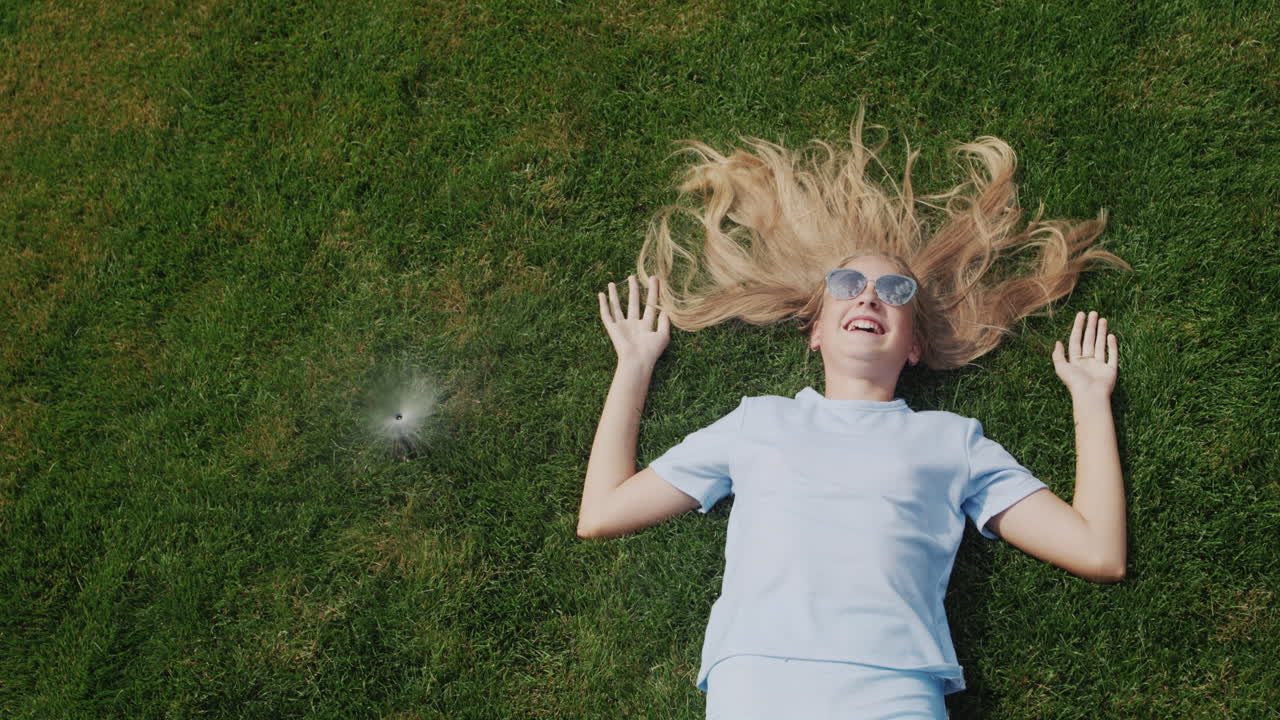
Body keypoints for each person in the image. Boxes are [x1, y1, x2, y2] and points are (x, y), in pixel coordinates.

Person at [576, 113, 1128, 719]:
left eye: (895, 292)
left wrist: (1089, 397)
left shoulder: (952, 442)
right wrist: (634, 364)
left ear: (913, 346)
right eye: (848, 283)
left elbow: (1098, 553)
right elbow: (602, 513)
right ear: (815, 330)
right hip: (757, 684)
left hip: (894, 693)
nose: (868, 295)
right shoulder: (757, 422)